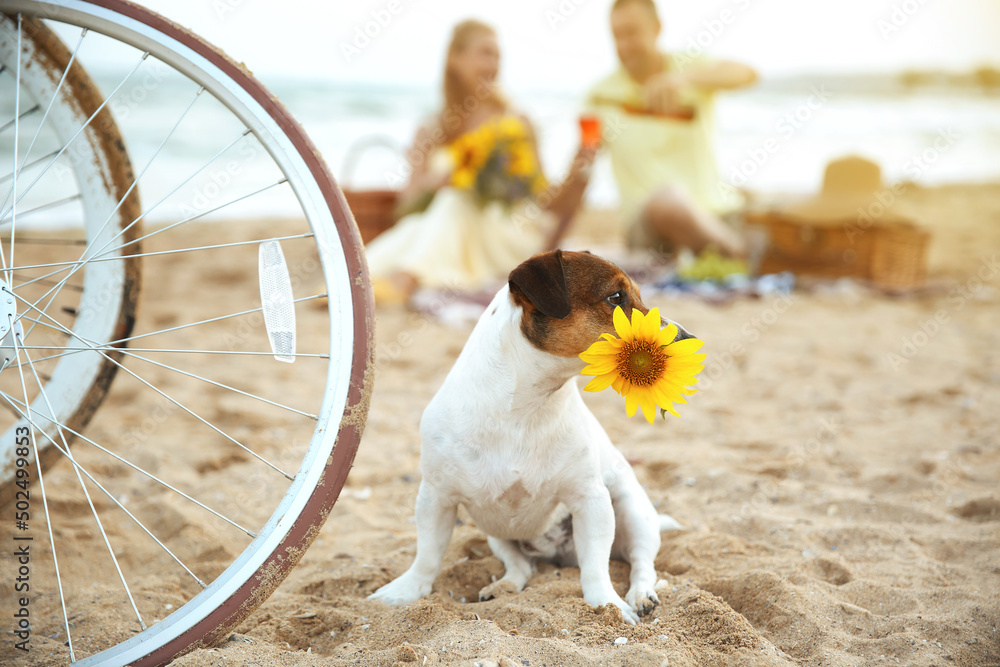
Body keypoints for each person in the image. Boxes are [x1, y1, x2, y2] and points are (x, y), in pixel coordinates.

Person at [366, 20, 594, 304]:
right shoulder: (431, 129)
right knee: (417, 224)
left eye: (497, 56)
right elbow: (403, 211)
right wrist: (433, 183)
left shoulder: (516, 123)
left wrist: (577, 170)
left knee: (456, 199)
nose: (493, 65)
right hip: (448, 237)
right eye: (484, 54)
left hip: (505, 236)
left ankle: (403, 280)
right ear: (455, 59)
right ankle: (362, 280)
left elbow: (543, 203)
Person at [587, 0, 756, 258]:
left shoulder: (689, 67)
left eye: (631, 33)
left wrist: (683, 79)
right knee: (667, 199)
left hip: (717, 214)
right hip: (649, 225)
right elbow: (582, 167)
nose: (623, 46)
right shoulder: (599, 95)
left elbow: (747, 74)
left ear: (656, 28)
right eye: (617, 36)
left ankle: (720, 247)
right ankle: (738, 255)